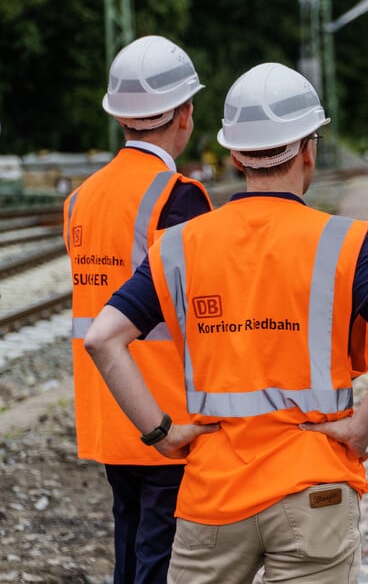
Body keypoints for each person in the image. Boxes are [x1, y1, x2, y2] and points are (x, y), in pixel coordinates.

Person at [84, 62, 368, 583]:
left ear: (235, 154)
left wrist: (160, 433)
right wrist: (359, 432)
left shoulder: (180, 245)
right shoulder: (344, 243)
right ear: (307, 149)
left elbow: (103, 337)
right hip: (314, 489)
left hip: (212, 495)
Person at [63, 35, 212, 583]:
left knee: (129, 541)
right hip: (162, 410)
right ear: (183, 114)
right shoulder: (178, 196)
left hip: (107, 404)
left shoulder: (82, 197)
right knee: (159, 555)